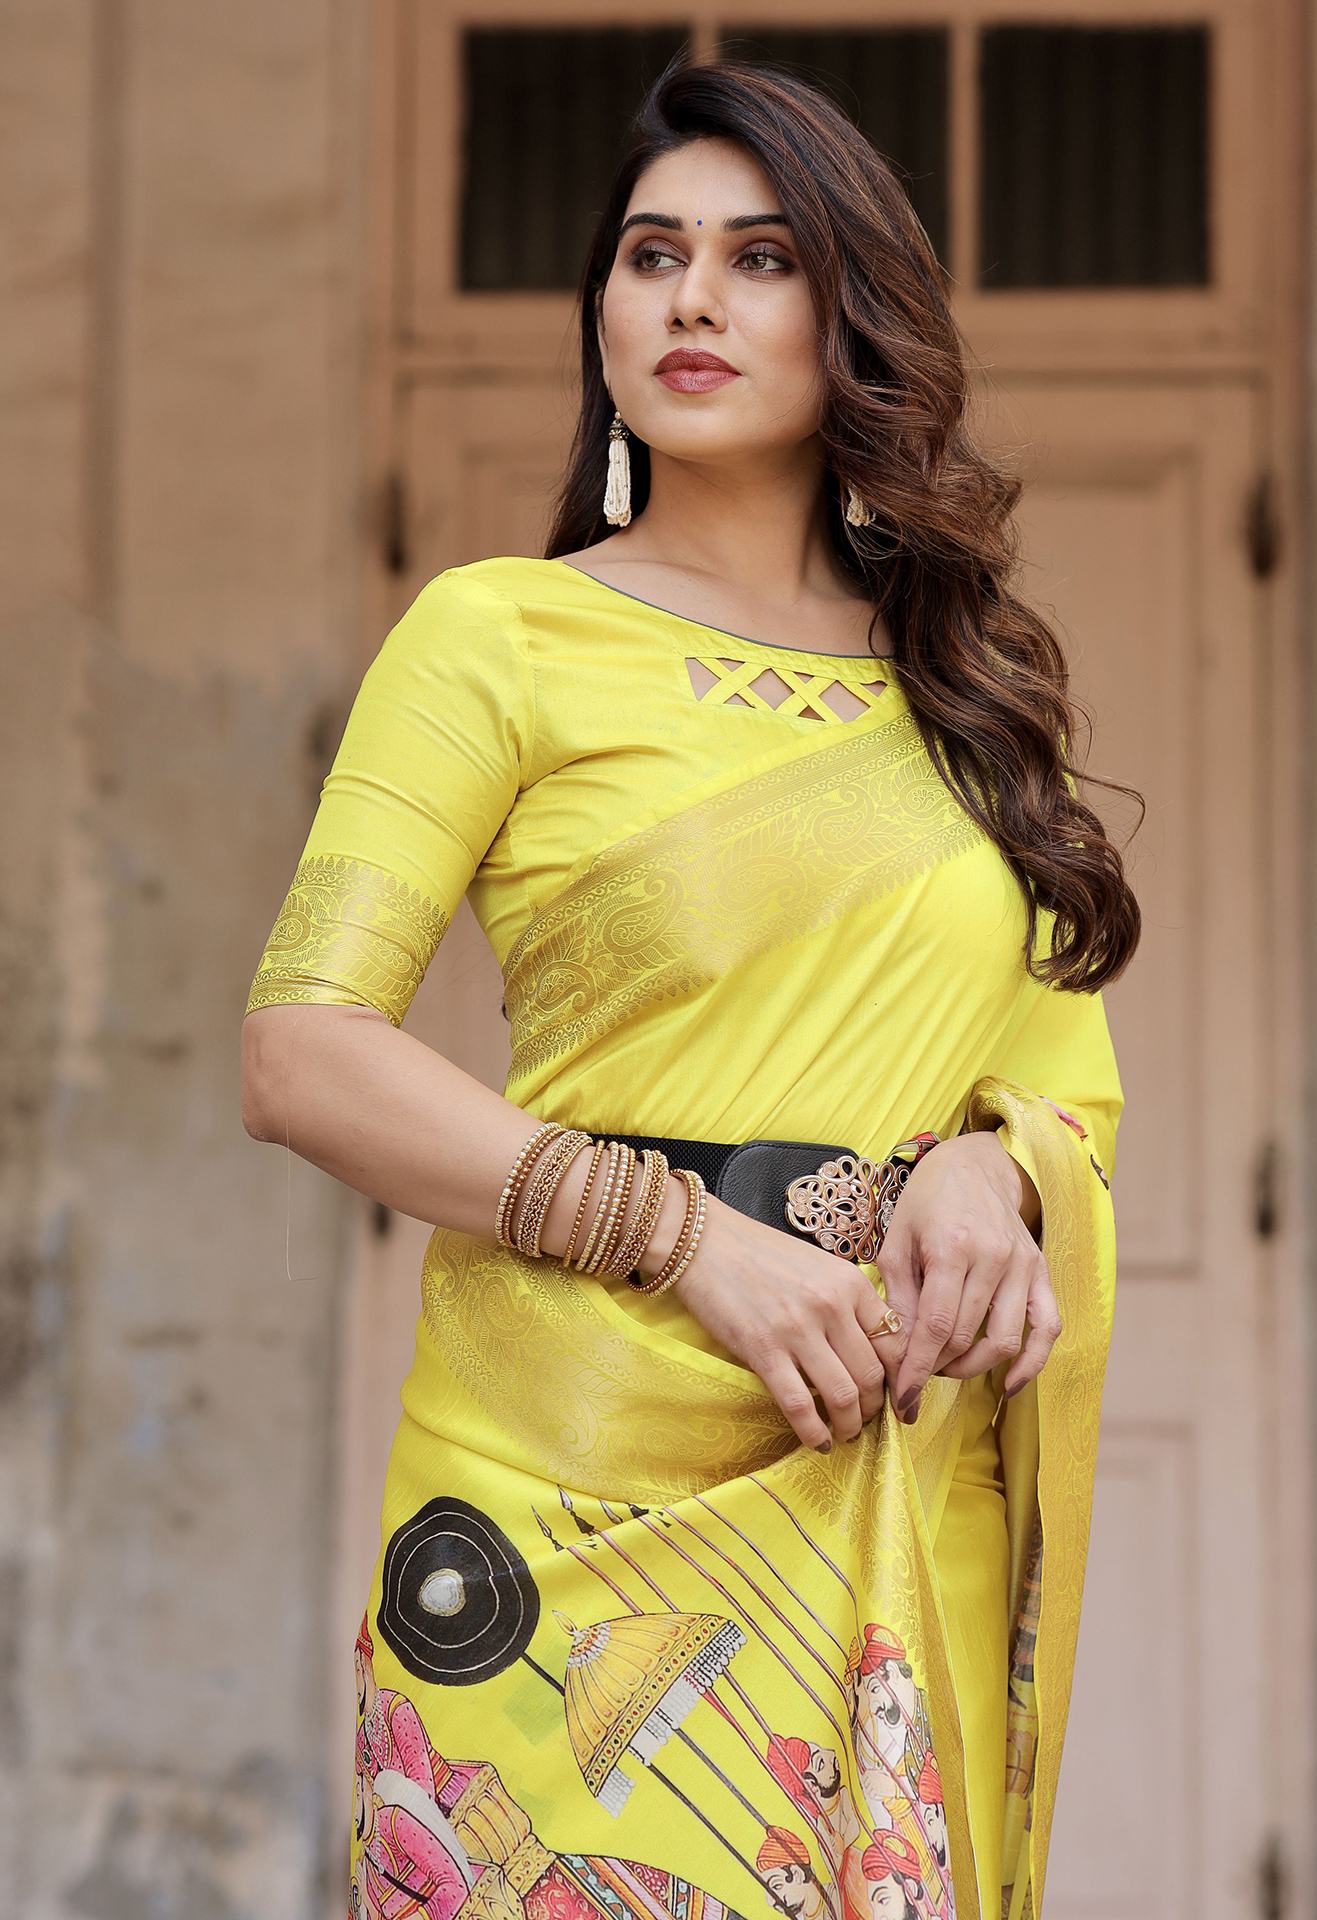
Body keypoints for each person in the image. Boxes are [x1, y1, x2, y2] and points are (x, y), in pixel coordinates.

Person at [240, 52, 1139, 1920]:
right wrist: (689, 1244)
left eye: (758, 258)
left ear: (852, 315)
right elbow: (302, 1051)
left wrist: (992, 1171)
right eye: (651, 256)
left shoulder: (962, 695)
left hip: (877, 1464)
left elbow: (1059, 1081)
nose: (691, 300)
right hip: (568, 1479)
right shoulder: (500, 636)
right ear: (602, 314)